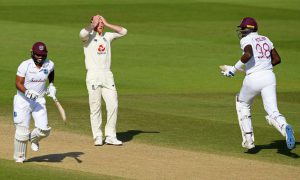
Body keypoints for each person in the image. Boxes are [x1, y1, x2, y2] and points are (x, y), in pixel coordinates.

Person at [221, 17, 296, 150]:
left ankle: (248, 140)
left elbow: (248, 54)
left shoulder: (246, 40)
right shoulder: (266, 38)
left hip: (253, 79)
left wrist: (233, 69)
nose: (241, 31)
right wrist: (262, 67)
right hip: (269, 77)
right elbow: (277, 59)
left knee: (242, 102)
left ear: (248, 29)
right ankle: (285, 127)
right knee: (272, 111)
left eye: (243, 28)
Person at [79, 15, 127, 146]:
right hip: (93, 75)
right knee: (95, 107)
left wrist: (107, 23)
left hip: (107, 75)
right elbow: (82, 33)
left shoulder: (108, 36)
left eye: (101, 22)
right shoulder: (88, 37)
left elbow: (123, 31)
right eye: (97, 22)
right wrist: (92, 25)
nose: (100, 24)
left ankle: (111, 135)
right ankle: (98, 136)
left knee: (113, 104)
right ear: (92, 23)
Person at [13, 42, 57, 163]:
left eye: (42, 55)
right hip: (23, 101)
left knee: (44, 130)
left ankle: (34, 139)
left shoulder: (49, 64)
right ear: (32, 53)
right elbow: (18, 83)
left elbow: (51, 71)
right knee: (22, 131)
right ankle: (20, 157)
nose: (40, 57)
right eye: (38, 54)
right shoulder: (25, 65)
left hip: (39, 101)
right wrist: (27, 92)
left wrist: (51, 85)